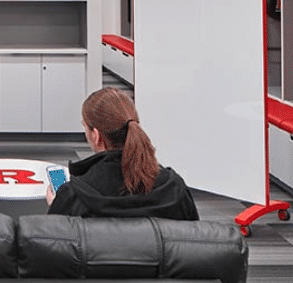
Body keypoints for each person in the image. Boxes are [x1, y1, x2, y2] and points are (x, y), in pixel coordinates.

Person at [47, 88, 198, 220]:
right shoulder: (175, 188)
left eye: (85, 127)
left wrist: (58, 204)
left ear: (96, 135)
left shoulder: (74, 196)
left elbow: (56, 244)